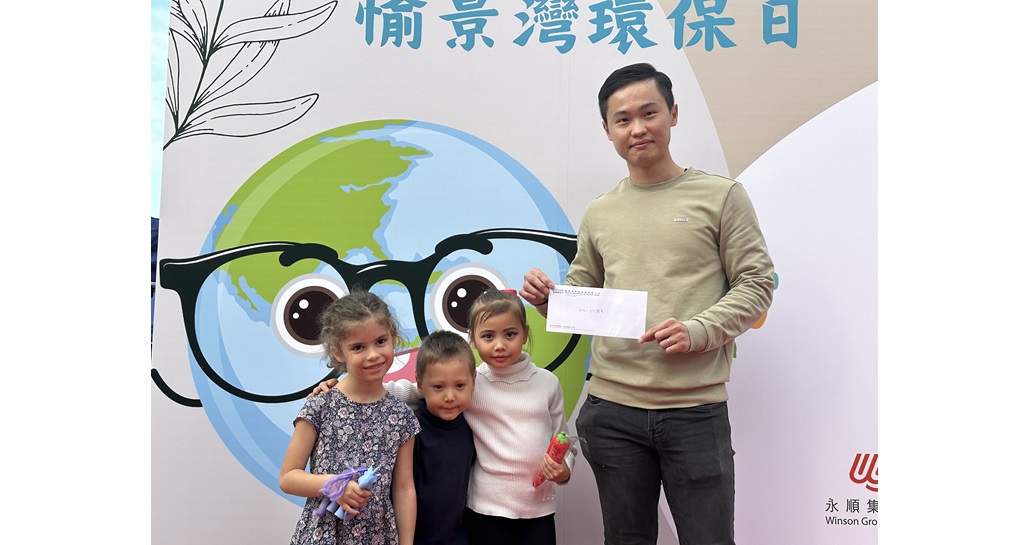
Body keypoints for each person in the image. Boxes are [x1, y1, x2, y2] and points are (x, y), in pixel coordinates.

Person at [520, 62, 775, 545]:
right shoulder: (600, 211)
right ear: (607, 130)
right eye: (623, 119)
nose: (637, 128)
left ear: (673, 114)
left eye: (649, 113)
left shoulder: (721, 197)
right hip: (612, 410)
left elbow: (757, 284)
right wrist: (548, 301)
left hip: (694, 410)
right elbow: (582, 295)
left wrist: (698, 330)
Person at [312, 289, 575, 545]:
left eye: (510, 334)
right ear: (473, 338)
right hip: (485, 510)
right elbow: (411, 391)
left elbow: (564, 443)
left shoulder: (545, 383)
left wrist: (564, 471)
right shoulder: (470, 382)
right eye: (488, 335)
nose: (499, 345)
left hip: (537, 508)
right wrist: (343, 388)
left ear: (525, 333)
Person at [280, 291, 419, 545]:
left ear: (393, 338)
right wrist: (334, 485)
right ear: (338, 352)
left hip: (377, 537)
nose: (373, 354)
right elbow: (288, 478)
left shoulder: (402, 417)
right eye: (358, 347)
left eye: (380, 341)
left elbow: (404, 489)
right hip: (323, 536)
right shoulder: (320, 404)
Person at [409, 330, 478, 545]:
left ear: (473, 381)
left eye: (459, 386)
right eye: (438, 387)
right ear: (420, 385)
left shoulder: (474, 426)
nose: (449, 397)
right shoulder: (411, 430)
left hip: (459, 538)